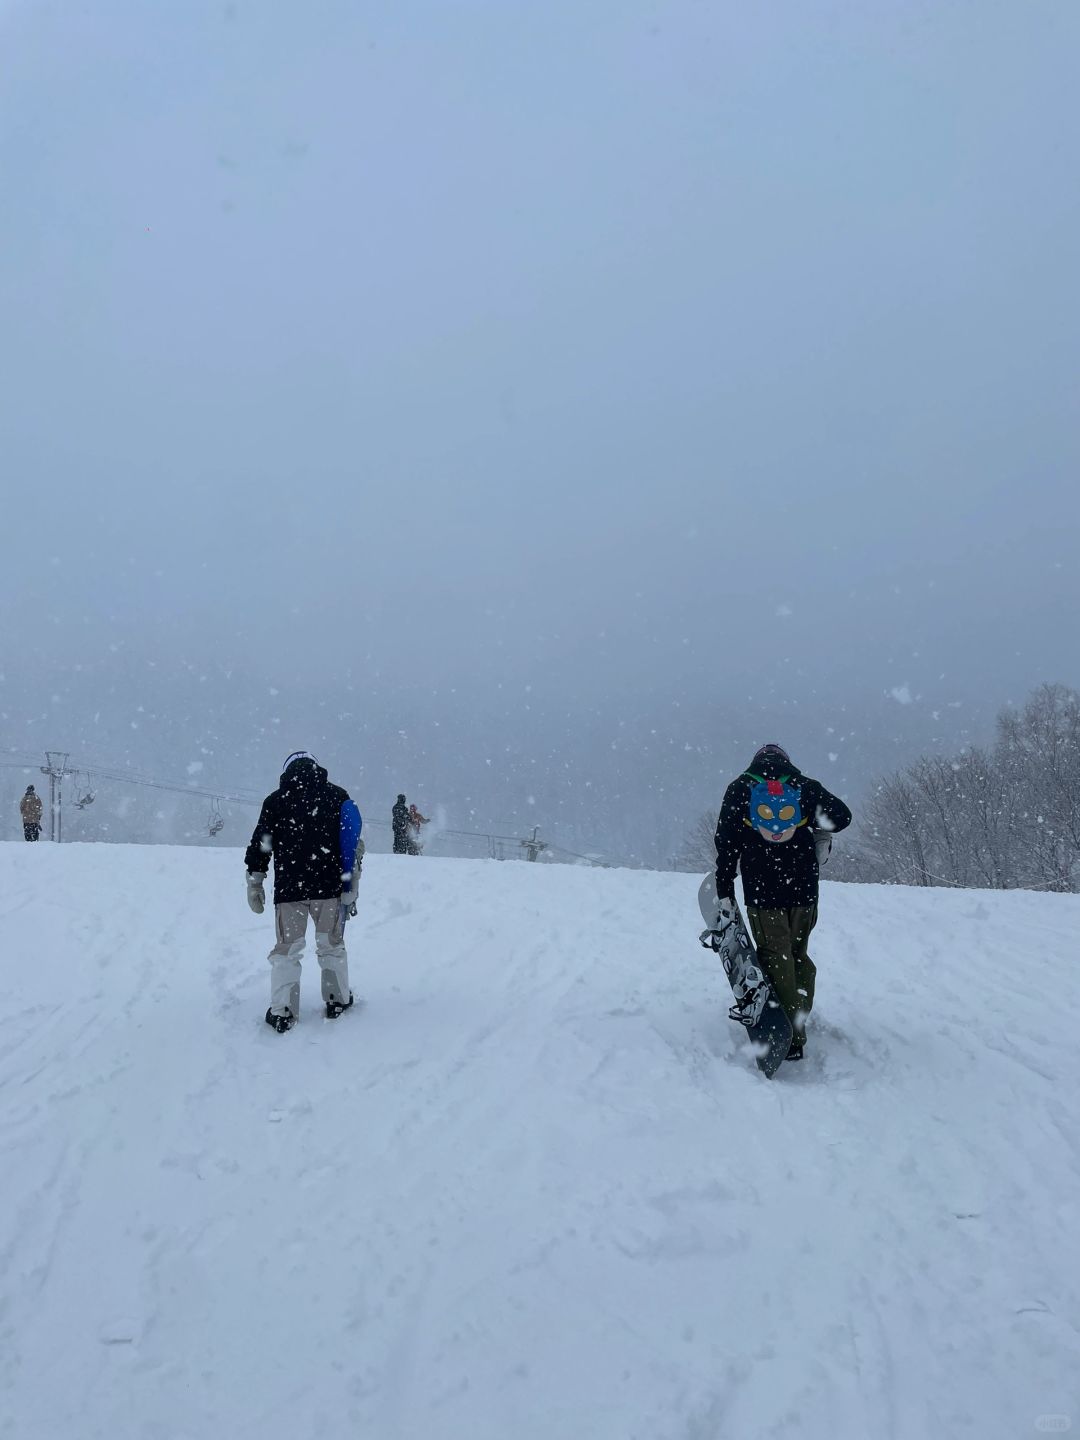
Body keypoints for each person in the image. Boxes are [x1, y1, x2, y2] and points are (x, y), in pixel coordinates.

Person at [712, 743, 851, 1061]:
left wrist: (724, 889)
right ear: (786, 761)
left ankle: (789, 1036)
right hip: (803, 890)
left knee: (775, 957)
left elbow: (727, 843)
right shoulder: (803, 786)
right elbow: (842, 817)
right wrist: (815, 823)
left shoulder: (741, 788)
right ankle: (797, 1019)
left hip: (764, 891)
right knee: (798, 954)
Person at [244, 752, 363, 1033]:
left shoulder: (275, 801)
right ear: (315, 766)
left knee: (287, 949)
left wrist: (255, 881)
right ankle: (337, 1000)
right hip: (328, 887)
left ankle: (283, 1011)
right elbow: (351, 842)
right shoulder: (336, 795)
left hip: (289, 890)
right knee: (330, 944)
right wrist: (351, 883)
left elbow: (262, 844)